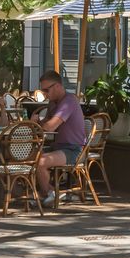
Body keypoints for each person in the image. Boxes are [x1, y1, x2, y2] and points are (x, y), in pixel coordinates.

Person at [30, 70, 88, 208]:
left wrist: (36, 124)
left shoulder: (69, 101)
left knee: (40, 162)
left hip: (74, 150)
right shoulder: (53, 103)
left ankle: (50, 194)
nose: (44, 94)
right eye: (42, 90)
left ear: (57, 86)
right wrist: (37, 123)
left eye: (46, 90)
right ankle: (48, 193)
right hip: (59, 147)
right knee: (28, 157)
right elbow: (45, 125)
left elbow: (50, 127)